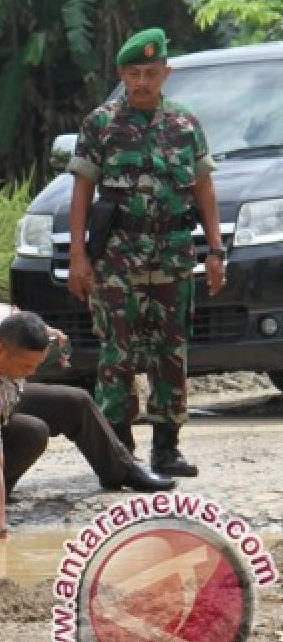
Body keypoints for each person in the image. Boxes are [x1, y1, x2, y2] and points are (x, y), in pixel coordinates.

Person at [66, 28, 224, 477]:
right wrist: (79, 256)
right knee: (118, 352)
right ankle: (118, 449)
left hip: (173, 254)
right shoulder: (102, 123)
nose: (141, 82)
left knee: (171, 350)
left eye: (150, 73)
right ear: (121, 74)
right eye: (133, 73)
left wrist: (215, 250)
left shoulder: (185, 124)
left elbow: (204, 187)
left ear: (165, 73)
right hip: (117, 258)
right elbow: (81, 191)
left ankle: (167, 447)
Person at [0, 305, 177, 538]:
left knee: (76, 401)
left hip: (0, 394)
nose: (31, 373)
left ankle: (121, 469)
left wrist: (46, 331)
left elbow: (19, 317)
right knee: (33, 433)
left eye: (36, 365)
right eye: (26, 366)